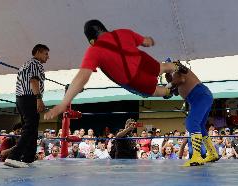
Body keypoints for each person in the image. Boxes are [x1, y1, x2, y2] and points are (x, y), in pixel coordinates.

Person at [44, 19, 188, 120]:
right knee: (160, 67)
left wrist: (64, 103)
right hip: (143, 60)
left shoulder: (94, 50)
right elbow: (146, 42)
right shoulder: (123, 32)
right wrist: (150, 40)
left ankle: (171, 89)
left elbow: (82, 76)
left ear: (91, 40)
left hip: (132, 78)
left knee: (155, 90)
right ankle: (176, 66)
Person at [5, 44, 49, 168]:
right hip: (30, 98)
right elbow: (34, 81)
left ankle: (28, 158)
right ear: (38, 52)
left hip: (21, 98)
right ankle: (13, 157)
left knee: (31, 127)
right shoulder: (36, 64)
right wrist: (39, 99)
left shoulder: (25, 64)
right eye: (46, 53)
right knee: (30, 127)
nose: (48, 57)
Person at [165, 64, 218, 166]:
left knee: (191, 123)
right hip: (199, 97)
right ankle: (212, 153)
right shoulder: (174, 73)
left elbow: (180, 80)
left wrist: (168, 86)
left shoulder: (176, 69)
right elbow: (176, 90)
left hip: (199, 96)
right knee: (200, 126)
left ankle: (197, 156)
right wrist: (170, 88)